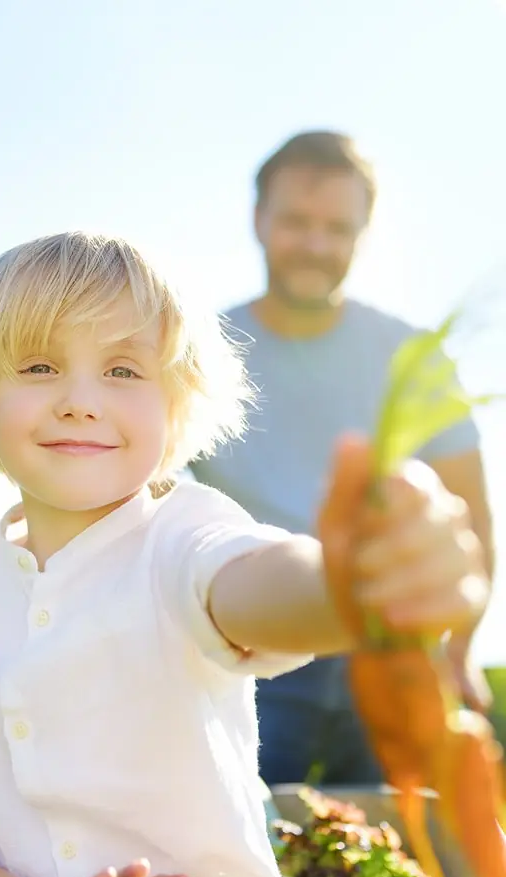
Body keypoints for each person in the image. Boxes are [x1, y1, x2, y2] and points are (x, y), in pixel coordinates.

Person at [0, 232, 489, 877]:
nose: (79, 400)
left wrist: (347, 582)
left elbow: (248, 584)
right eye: (38, 366)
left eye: (122, 370)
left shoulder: (181, 532)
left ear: (175, 404)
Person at [190, 131, 495, 788]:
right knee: (252, 833)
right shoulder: (200, 354)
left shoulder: (408, 354)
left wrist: (461, 649)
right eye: (297, 222)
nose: (316, 245)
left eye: (337, 228)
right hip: (254, 648)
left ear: (362, 233)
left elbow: (468, 514)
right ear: (258, 220)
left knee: (419, 849)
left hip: (390, 643)